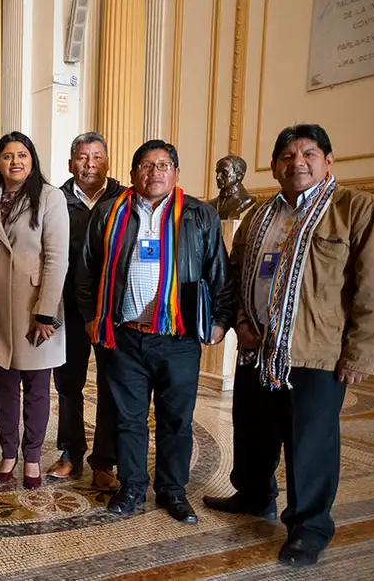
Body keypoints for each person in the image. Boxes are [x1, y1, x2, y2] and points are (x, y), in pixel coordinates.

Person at [203, 124, 374, 567]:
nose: (297, 162)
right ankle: (253, 495)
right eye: (286, 155)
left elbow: (372, 289)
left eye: (308, 154)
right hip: (257, 348)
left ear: (328, 161)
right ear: (276, 165)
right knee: (253, 430)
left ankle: (309, 527)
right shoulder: (261, 216)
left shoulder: (355, 210)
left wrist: (361, 351)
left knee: (309, 443)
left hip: (314, 353)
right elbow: (237, 272)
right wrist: (241, 321)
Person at [77, 139, 233, 524]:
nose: (155, 172)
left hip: (178, 339)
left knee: (176, 418)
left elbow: (219, 273)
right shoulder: (111, 212)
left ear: (176, 173)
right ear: (132, 174)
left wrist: (221, 320)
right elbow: (86, 270)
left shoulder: (199, 215)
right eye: (147, 165)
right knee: (128, 419)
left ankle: (172, 490)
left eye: (164, 165)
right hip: (125, 335)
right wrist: (88, 316)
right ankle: (132, 487)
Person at [0, 132, 70, 491]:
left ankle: (32, 456)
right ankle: (8, 452)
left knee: (37, 388)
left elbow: (56, 257)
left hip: (37, 308)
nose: (15, 161)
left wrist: (46, 312)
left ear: (32, 160)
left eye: (22, 154)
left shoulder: (51, 197)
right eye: (7, 156)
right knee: (4, 386)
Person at [46, 133, 124, 491]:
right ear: (70, 163)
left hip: (112, 310)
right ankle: (70, 453)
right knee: (68, 385)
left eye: (96, 157)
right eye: (81, 157)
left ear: (107, 161)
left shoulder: (124, 199)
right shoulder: (56, 200)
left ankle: (104, 461)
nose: (89, 164)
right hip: (69, 308)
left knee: (111, 385)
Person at [207, 154, 255, 220]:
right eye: (217, 172)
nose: (218, 177)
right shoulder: (210, 204)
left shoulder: (245, 200)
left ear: (239, 175)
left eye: (224, 172)